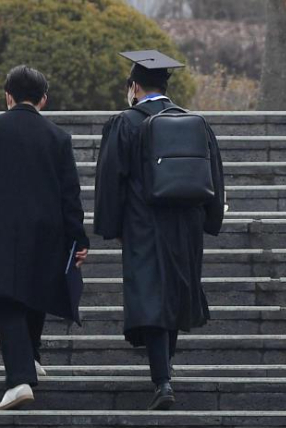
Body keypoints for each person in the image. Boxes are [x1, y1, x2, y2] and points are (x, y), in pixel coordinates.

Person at [94, 50, 225, 410]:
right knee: (177, 294)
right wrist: (210, 221)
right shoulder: (194, 122)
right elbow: (214, 176)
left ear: (135, 86)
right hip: (187, 224)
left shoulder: (126, 123)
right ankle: (165, 368)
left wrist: (111, 225)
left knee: (150, 295)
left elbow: (110, 178)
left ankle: (162, 380)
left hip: (144, 224)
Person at [0, 65, 89, 411]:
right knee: (34, 292)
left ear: (7, 96)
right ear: (43, 99)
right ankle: (30, 357)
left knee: (7, 300)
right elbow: (69, 193)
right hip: (47, 230)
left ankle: (19, 379)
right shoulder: (58, 137)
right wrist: (78, 236)